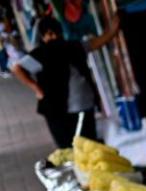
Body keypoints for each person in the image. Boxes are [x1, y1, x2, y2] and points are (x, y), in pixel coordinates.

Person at [11, 15, 120, 147]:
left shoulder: (41, 53)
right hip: (80, 105)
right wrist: (113, 27)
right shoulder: (73, 46)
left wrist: (37, 89)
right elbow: (101, 40)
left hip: (57, 108)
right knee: (87, 145)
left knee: (68, 146)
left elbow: (17, 68)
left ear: (45, 34)